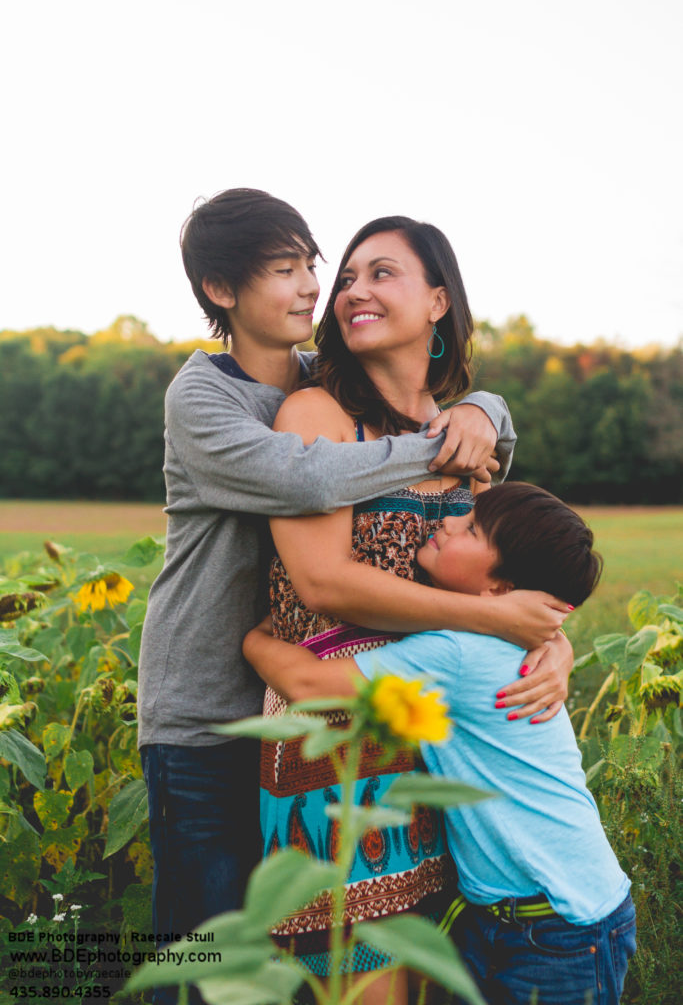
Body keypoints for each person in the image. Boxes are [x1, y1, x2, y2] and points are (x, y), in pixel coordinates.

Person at [136, 190, 557, 1001]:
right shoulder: (206, 398)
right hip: (204, 714)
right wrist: (448, 437)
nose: (312, 290)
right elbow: (306, 476)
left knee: (303, 959)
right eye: (284, 270)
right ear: (221, 291)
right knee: (205, 949)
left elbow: (470, 473)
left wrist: (480, 408)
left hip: (311, 698)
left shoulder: (331, 385)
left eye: (310, 269)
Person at [255, 217, 574, 1000]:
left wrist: (550, 644)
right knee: (363, 974)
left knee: (432, 966)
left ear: (437, 299)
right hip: (331, 733)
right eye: (348, 278)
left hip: (438, 739)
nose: (354, 290)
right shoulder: (315, 416)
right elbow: (324, 583)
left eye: (381, 273)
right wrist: (499, 625)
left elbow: (506, 582)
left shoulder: (467, 436)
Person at [244, 483, 636, 1005]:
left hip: (560, 927)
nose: (448, 521)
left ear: (500, 590)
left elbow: (309, 686)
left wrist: (255, 641)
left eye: (471, 528)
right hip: (520, 914)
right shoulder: (501, 639)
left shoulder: (456, 652)